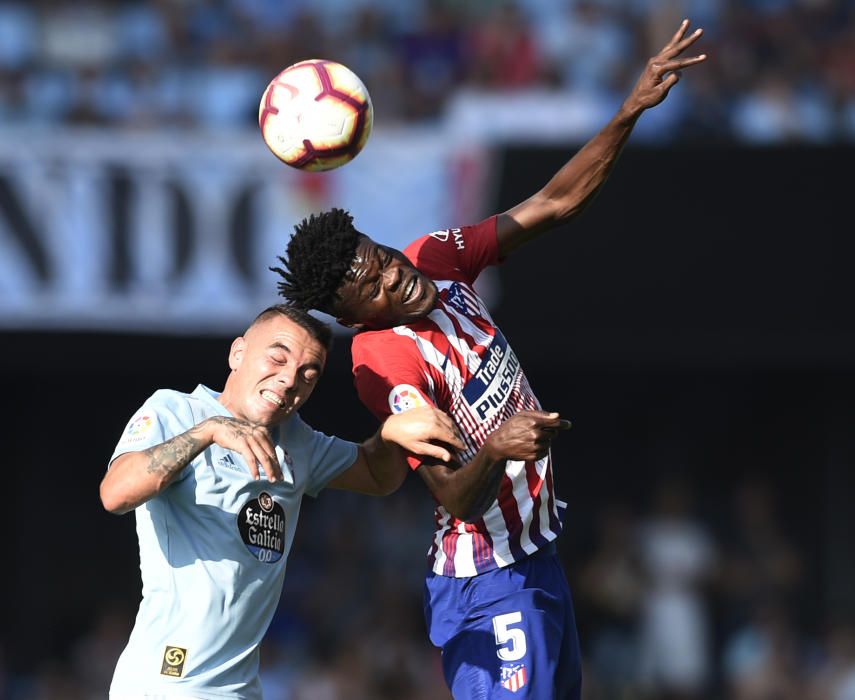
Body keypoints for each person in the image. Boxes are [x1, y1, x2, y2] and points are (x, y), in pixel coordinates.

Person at [270, 20, 707, 699]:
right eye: (378, 288)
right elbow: (450, 494)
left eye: (384, 260)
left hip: (537, 559)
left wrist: (628, 109)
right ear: (354, 317)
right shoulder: (382, 362)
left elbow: (555, 203)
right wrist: (500, 445)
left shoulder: (435, 257)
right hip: (486, 580)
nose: (398, 279)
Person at [98, 303, 464, 699]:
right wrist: (209, 432)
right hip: (166, 681)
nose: (290, 379)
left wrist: (391, 433)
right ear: (238, 353)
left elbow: (378, 476)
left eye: (309, 374)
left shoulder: (298, 442)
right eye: (277, 357)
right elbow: (116, 493)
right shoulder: (176, 410)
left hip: (240, 688)